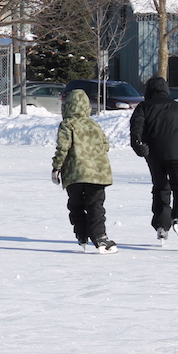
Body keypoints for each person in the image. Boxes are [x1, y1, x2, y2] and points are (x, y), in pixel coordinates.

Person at [130, 76, 178, 249]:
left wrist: (139, 146)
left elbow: (136, 129)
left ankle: (161, 224)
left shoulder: (143, 107)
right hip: (177, 154)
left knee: (160, 187)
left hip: (154, 154)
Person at [51, 89, 116, 253]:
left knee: (76, 204)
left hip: (75, 173)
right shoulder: (94, 125)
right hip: (97, 173)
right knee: (96, 206)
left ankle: (81, 234)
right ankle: (100, 236)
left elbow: (63, 148)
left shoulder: (67, 124)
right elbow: (106, 146)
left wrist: (57, 167)